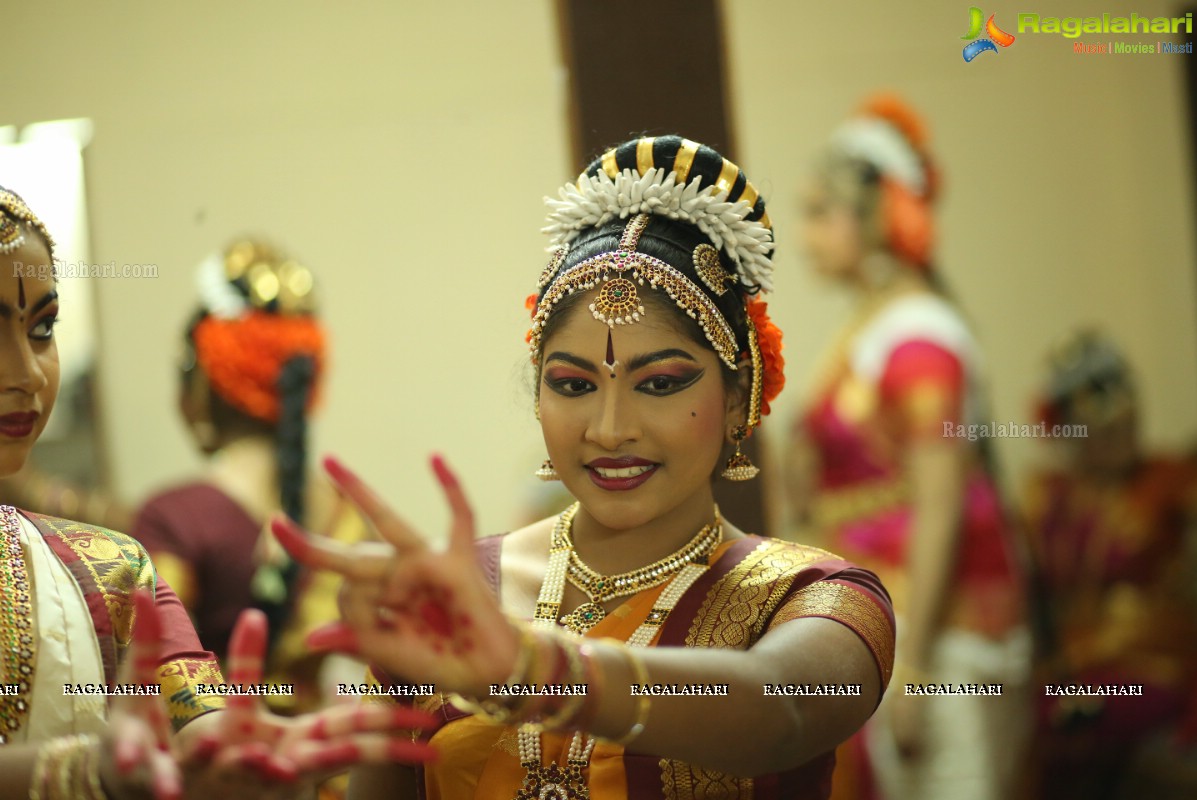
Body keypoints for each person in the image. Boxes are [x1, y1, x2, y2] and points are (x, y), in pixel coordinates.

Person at [271, 135, 898, 800]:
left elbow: (783, 713)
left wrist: (537, 672)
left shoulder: (814, 599)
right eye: (573, 385)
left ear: (739, 394)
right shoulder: (463, 597)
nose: (609, 429)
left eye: (660, 383)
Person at [0, 184, 436, 799]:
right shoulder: (348, 514)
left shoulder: (118, 565)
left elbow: (189, 717)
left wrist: (217, 751)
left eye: (44, 329)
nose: (23, 374)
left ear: (202, 382)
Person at [787, 96, 1029, 800]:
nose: (804, 236)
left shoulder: (920, 336)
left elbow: (940, 502)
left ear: (875, 218)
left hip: (943, 636)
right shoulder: (871, 326)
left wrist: (917, 666)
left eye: (819, 212)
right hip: (887, 620)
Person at [132, 240, 364, 714]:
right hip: (343, 771)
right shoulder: (348, 509)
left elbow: (158, 686)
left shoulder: (173, 518)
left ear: (202, 383)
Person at [1024, 330, 1197, 799]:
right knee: (1014, 708)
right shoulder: (1047, 498)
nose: (1122, 437)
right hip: (1067, 669)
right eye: (1106, 429)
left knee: (1077, 714)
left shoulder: (1172, 483)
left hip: (1150, 669)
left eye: (1128, 421)